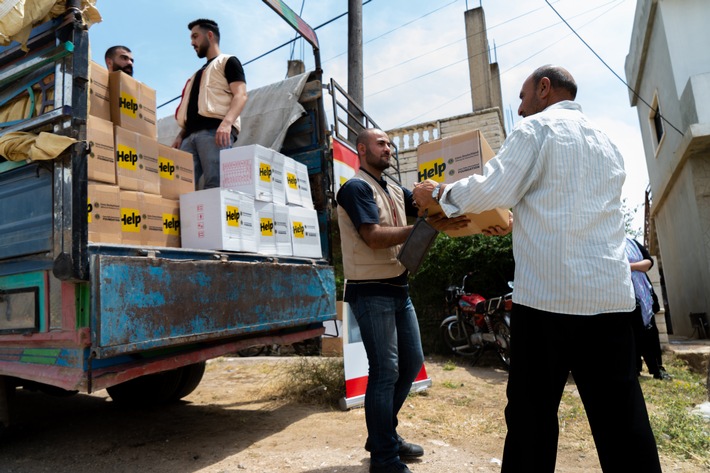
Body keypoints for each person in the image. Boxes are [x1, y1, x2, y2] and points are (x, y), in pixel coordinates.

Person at [413, 65, 662, 473]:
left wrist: (436, 191)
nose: (520, 106)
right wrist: (509, 222)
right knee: (623, 423)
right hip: (611, 302)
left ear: (545, 89)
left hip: (548, 302)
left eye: (524, 95)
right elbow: (562, 210)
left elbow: (491, 187)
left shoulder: (535, 131)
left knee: (532, 421)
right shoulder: (608, 144)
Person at [337, 128, 468, 473]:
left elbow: (432, 207)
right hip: (370, 290)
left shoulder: (394, 188)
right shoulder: (356, 188)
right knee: (385, 372)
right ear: (362, 149)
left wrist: (467, 214)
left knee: (410, 364)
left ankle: (382, 436)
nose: (389, 148)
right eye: (381, 143)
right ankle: (383, 457)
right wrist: (421, 228)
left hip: (397, 288)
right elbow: (373, 237)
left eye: (390, 144)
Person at [172, 19, 248, 189]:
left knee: (215, 185)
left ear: (210, 35)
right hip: (189, 137)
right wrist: (180, 136)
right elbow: (196, 108)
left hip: (215, 132)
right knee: (180, 189)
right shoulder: (197, 74)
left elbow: (241, 95)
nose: (192, 42)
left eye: (195, 36)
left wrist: (226, 124)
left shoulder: (228, 61)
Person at [625, 237, 670, 380]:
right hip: (623, 297)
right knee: (630, 335)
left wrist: (630, 267)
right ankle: (634, 369)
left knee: (649, 334)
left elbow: (648, 262)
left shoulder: (631, 242)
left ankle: (657, 369)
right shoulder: (609, 242)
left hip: (643, 297)